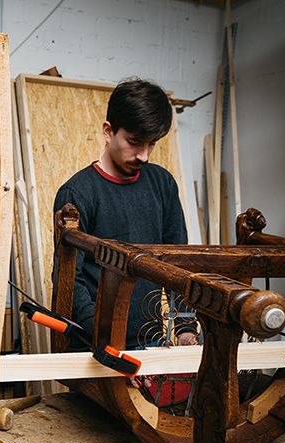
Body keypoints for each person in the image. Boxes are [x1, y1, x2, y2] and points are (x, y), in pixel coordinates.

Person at [53, 78, 197, 351]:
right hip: (93, 345)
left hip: (151, 340)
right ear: (108, 131)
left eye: (151, 144)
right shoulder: (77, 193)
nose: (143, 155)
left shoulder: (163, 184)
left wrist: (185, 326)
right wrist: (99, 332)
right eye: (134, 142)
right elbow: (70, 279)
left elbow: (178, 262)